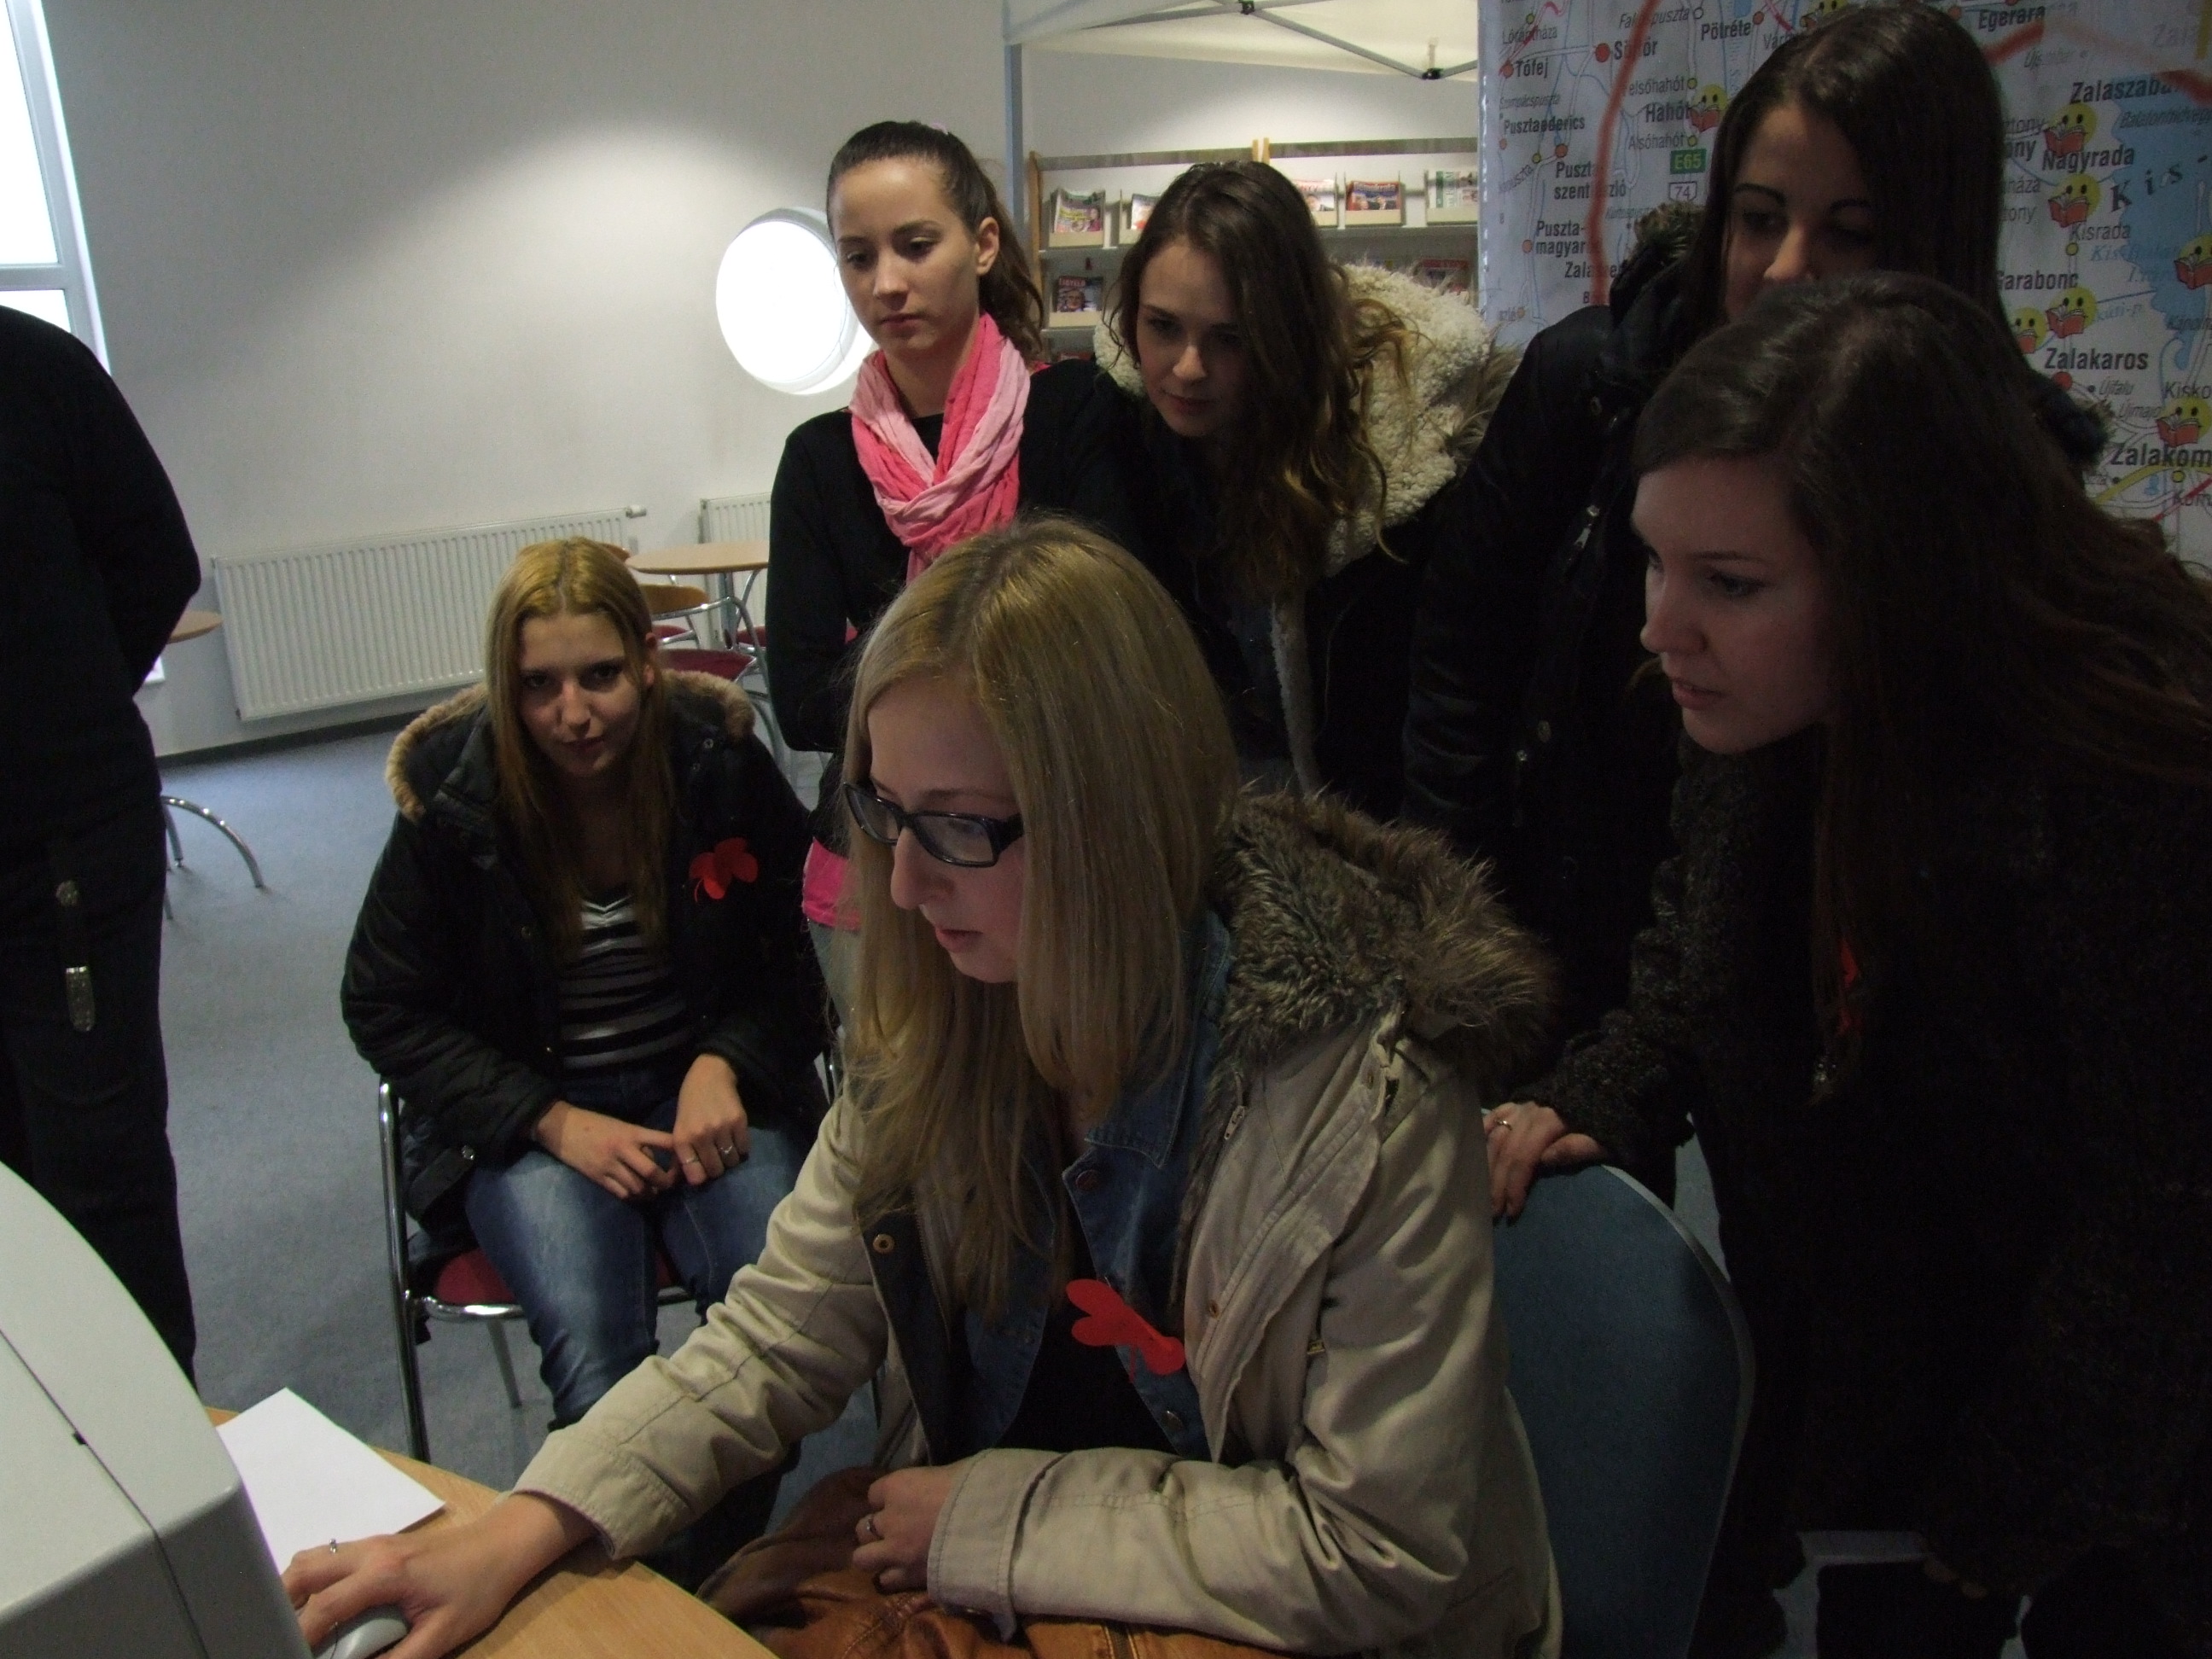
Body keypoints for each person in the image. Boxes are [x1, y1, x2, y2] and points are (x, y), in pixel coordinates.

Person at [290, 518, 1563, 1659]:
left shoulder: (1367, 1098)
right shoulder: (951, 1022)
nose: (900, 886)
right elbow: (776, 1338)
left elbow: (1373, 1549)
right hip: (1011, 1590)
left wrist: (992, 1519)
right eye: (885, 813)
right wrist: (524, 1526)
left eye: (956, 826)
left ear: (1113, 823)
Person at [1487, 275, 2212, 1658]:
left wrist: (2012, 1498)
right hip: (1905, 1365)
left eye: (1729, 583)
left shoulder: (2139, 779)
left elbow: (2162, 1223)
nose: (1658, 626)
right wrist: (1597, 1093)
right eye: (1653, 561)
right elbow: (1695, 949)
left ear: (1906, 573)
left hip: (2142, 1436)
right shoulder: (1758, 704)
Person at [1401, 3, 2107, 1065]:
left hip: (1831, 1020)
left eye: (1852, 231)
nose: (1786, 270)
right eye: (1759, 217)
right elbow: (1461, 656)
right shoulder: (1596, 381)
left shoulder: (2001, 482)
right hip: (1574, 948)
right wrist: (1472, 941)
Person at [341, 538, 826, 1463]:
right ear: (506, 686)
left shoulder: (714, 760)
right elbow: (382, 1002)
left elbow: (815, 941)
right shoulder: (457, 794)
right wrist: (551, 1121)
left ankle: (698, 1548)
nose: (572, 715)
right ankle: (642, 1550)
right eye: (539, 686)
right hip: (534, 1118)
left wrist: (727, 1060)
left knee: (773, 1344)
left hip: (703, 1089)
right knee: (599, 1369)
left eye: (600, 676)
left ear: (647, 661)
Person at [768, 120, 1139, 1022]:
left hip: (1056, 848)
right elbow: (803, 698)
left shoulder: (1073, 412)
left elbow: (1107, 647)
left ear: (982, 244)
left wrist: (892, 678)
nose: (886, 283)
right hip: (880, 865)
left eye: (915, 244)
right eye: (858, 257)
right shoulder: (820, 459)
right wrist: (994, 694)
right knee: (902, 1097)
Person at [1102, 159, 1517, 817]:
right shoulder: (1116, 433)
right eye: (1163, 326)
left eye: (1230, 339)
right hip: (1195, 826)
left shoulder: (1391, 464)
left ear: (1284, 334)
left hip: (1348, 834)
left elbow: (1442, 706)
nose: (1188, 368)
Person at [0, 305, 201, 1373]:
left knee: (98, 1167)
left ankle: (151, 1434)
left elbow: (154, 562)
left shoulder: (35, 369)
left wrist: (58, 709)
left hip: (61, 846)